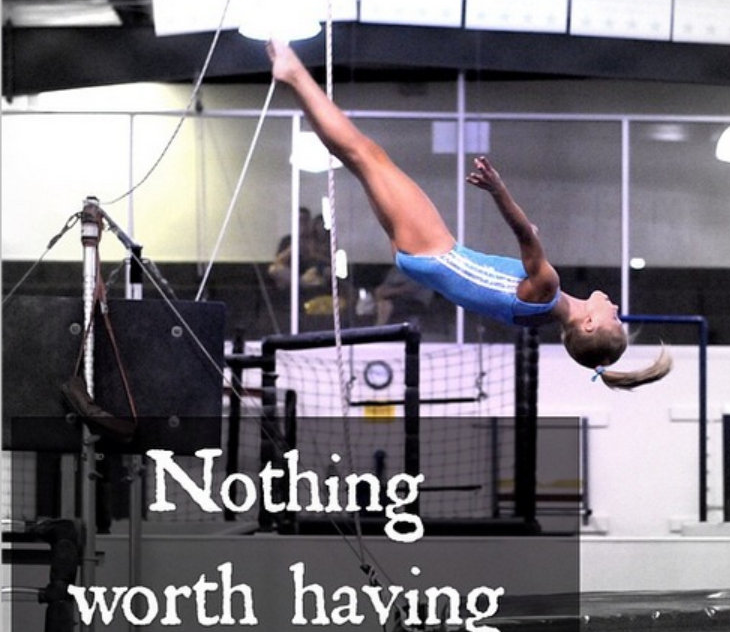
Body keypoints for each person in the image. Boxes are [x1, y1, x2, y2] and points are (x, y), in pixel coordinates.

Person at [266, 40, 670, 390]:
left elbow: (524, 235)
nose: (616, 309)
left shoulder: (548, 289)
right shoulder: (537, 312)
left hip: (435, 250)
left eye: (614, 320)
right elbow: (515, 258)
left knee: (364, 153)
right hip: (424, 258)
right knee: (361, 158)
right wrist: (526, 234)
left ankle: (294, 74)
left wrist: (499, 191)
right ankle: (294, 78)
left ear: (588, 324)